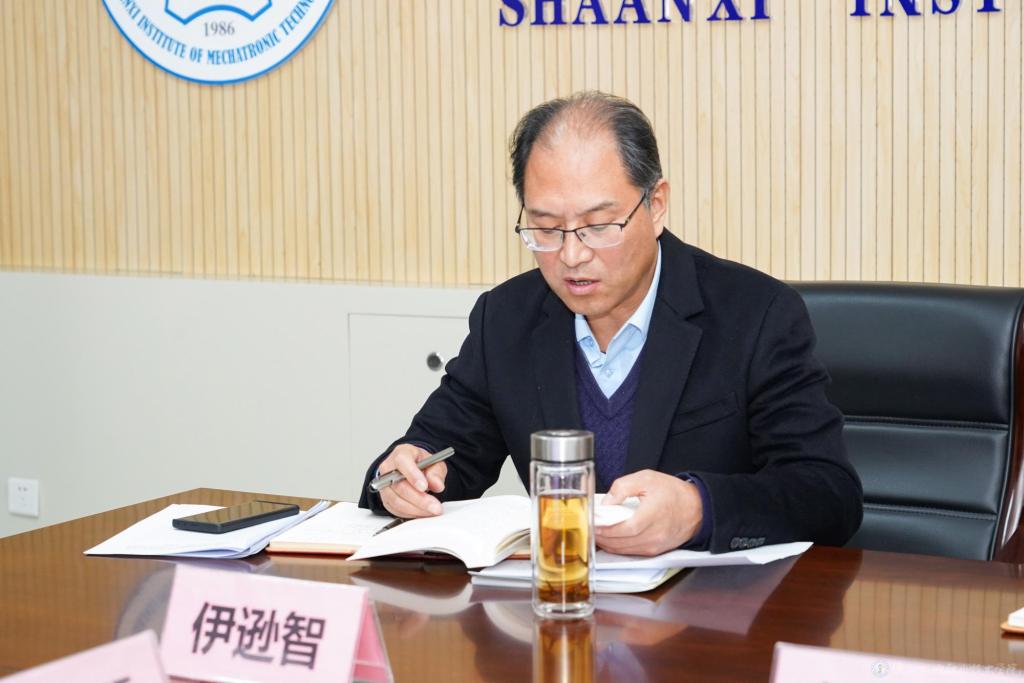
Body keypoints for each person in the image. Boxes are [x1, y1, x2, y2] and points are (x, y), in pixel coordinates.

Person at [358, 91, 863, 555]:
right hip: (559, 601)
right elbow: (438, 454)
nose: (572, 255)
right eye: (546, 228)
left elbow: (827, 493)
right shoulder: (506, 319)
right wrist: (405, 478)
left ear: (656, 205)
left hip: (711, 611)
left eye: (598, 226)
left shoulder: (755, 315)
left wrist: (698, 509)